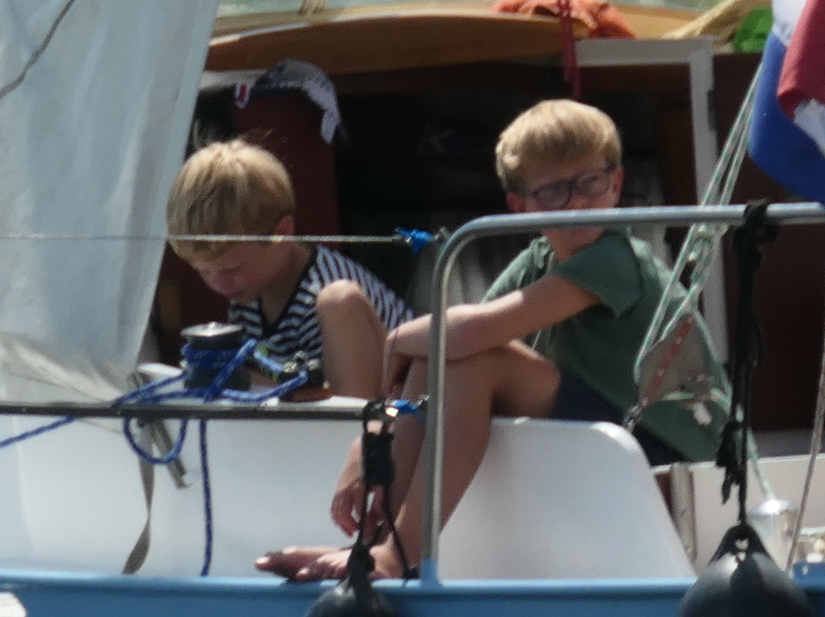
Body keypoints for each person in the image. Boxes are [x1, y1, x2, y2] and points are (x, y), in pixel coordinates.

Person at [260, 98, 721, 580]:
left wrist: (395, 339)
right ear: (519, 206)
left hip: (675, 464)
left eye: (590, 182)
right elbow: (453, 340)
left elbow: (478, 330)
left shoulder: (616, 258)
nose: (578, 203)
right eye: (554, 192)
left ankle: (397, 556)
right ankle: (377, 544)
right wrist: (372, 437)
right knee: (437, 357)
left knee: (470, 357)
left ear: (617, 184)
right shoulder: (539, 260)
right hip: (601, 449)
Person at [164, 141, 409, 400]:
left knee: (340, 300)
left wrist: (239, 377)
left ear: (281, 234)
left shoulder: (321, 295)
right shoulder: (247, 293)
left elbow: (347, 402)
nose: (218, 283)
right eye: (203, 271)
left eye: (231, 268)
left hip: (386, 418)